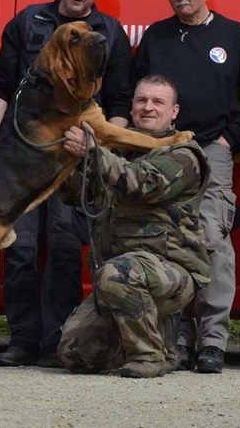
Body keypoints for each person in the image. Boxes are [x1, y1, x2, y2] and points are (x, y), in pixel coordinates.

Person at [0, 0, 133, 368]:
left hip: (73, 161)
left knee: (66, 249)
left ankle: (57, 342)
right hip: (22, 159)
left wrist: (95, 145)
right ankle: (23, 340)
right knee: (21, 248)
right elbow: (1, 83)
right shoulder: (28, 21)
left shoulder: (109, 34)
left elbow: (120, 101)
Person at [133, 0, 240, 374]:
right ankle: (178, 340)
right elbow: (137, 94)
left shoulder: (234, 36)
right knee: (165, 242)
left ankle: (211, 342)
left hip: (212, 151)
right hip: (162, 152)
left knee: (210, 240)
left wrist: (230, 139)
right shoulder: (156, 37)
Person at [56, 75, 210, 379]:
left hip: (172, 272)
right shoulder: (118, 149)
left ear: (174, 111)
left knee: (118, 274)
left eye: (157, 102)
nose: (147, 108)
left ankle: (149, 356)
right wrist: (68, 159)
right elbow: (76, 195)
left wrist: (94, 153)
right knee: (75, 354)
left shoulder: (184, 154)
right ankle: (157, 340)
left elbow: (143, 184)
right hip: (120, 273)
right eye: (141, 100)